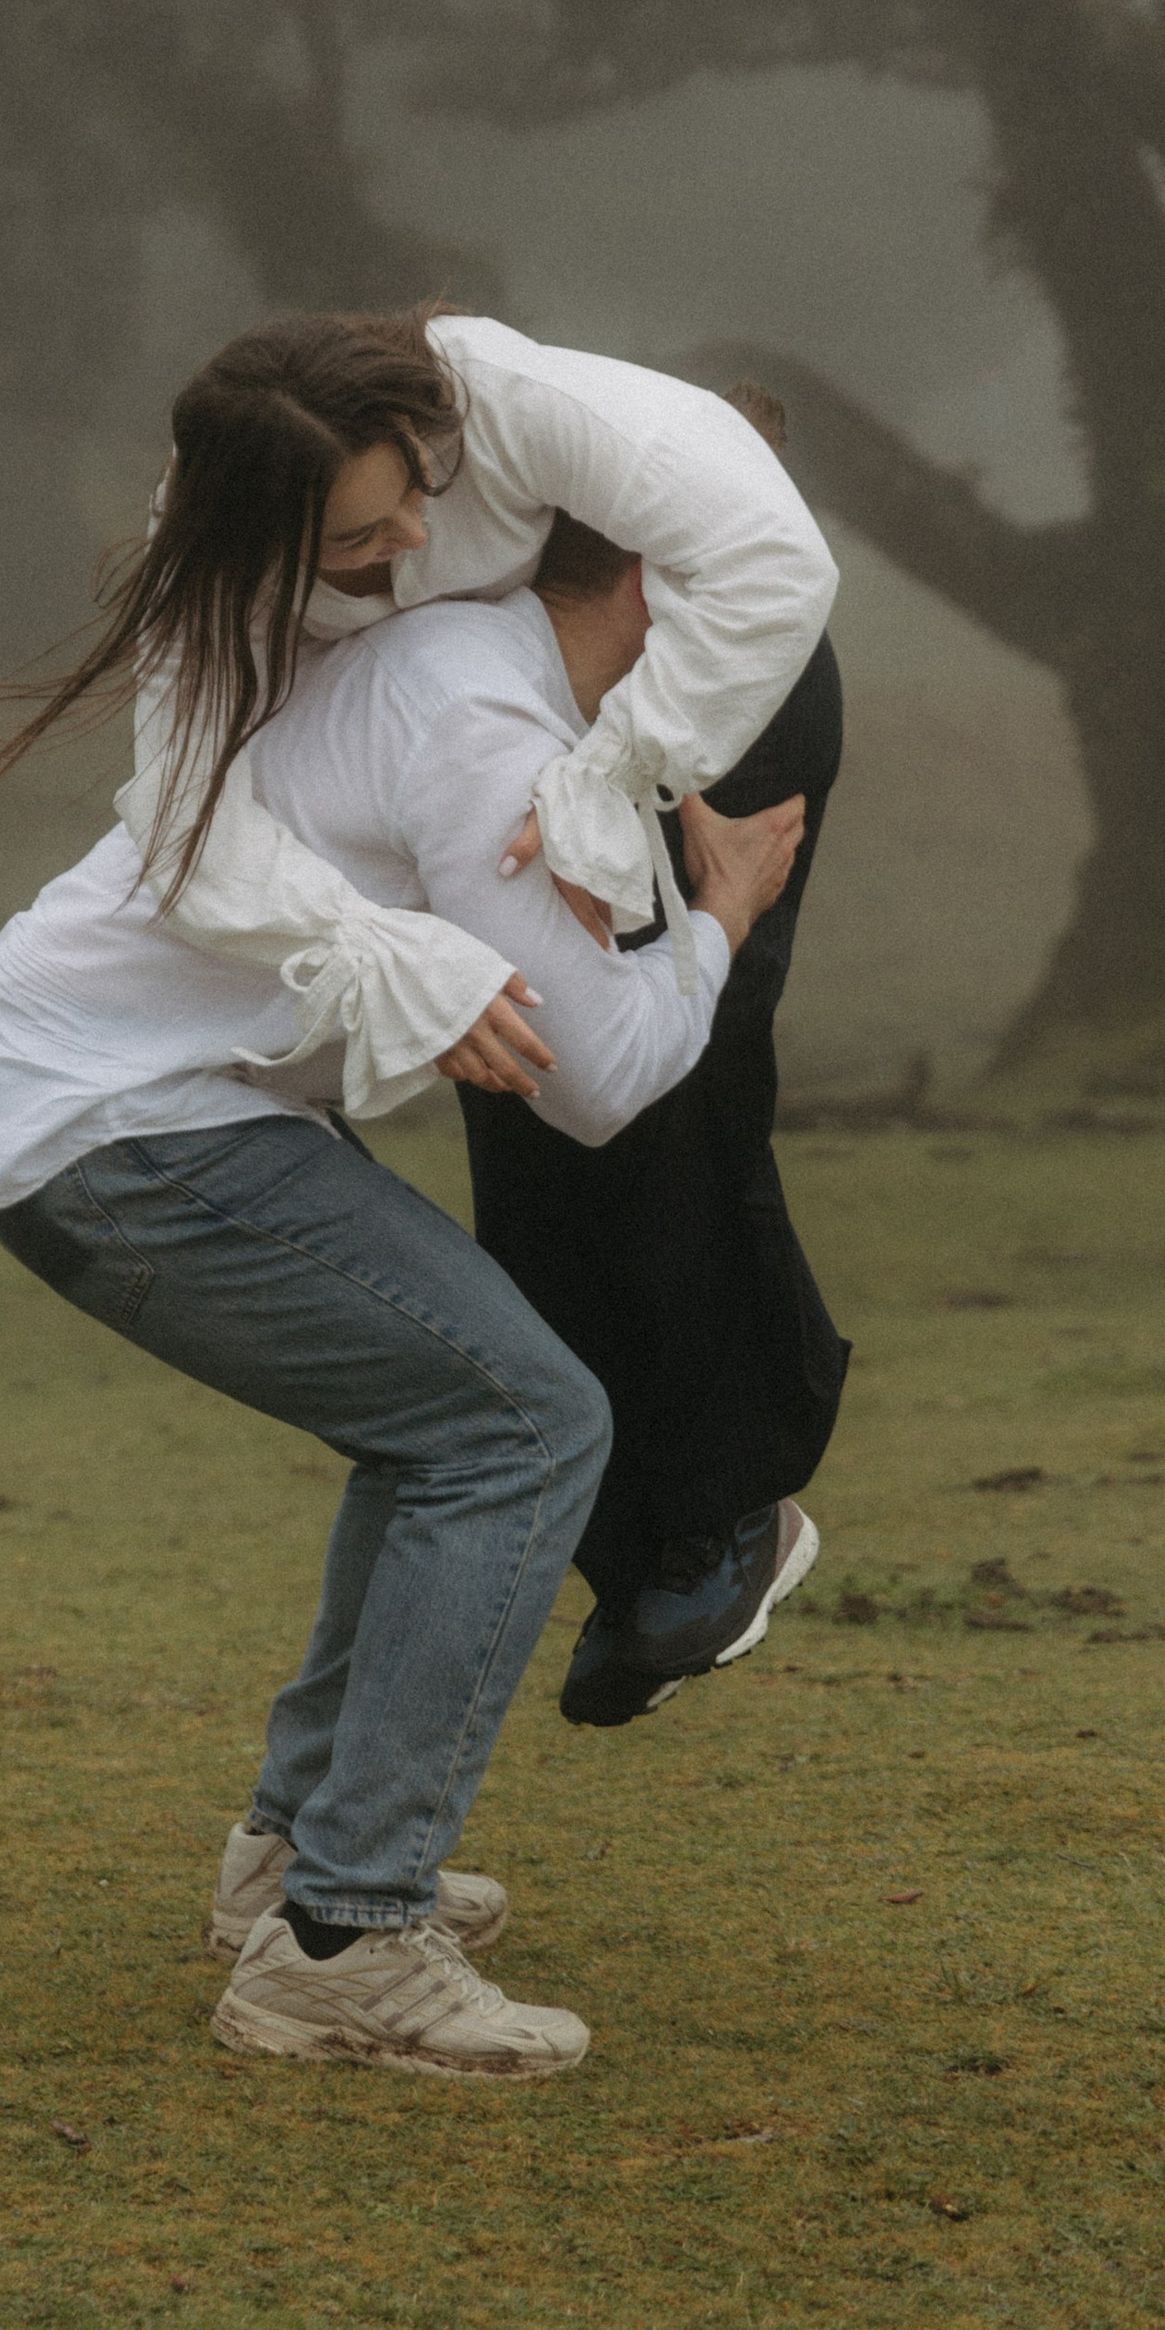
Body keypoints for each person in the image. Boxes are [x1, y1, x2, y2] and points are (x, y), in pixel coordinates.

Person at [0, 500, 805, 2078]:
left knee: (450, 1425)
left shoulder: (462, 665)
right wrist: (721, 917)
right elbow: (601, 1081)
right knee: (523, 1428)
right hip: (128, 1131)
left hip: (127, 1104)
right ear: (659, 583)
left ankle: (295, 1864)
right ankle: (343, 1942)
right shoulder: (481, 717)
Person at [0, 304, 839, 1126]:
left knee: (668, 1129)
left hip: (711, 676)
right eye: (358, 537)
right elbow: (188, 817)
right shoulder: (214, 556)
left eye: (418, 489)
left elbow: (776, 566)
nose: (417, 538)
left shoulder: (499, 396)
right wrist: (388, 951)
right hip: (489, 740)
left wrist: (613, 778)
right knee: (531, 1098)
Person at [459, 391, 848, 1726]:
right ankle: (634, 1554)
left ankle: (728, 1509)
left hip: (707, 723)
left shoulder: (746, 600)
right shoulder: (511, 454)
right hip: (570, 695)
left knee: (678, 1084)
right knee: (529, 1092)